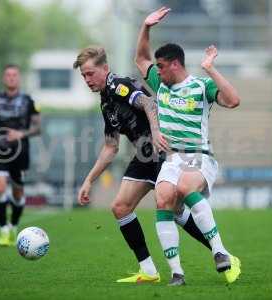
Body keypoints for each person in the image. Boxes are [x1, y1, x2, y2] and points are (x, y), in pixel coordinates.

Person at [74, 46, 212, 284]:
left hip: (162, 152)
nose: (87, 80)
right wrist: (89, 180)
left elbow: (149, 103)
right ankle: (149, 271)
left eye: (90, 73)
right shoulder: (106, 102)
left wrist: (157, 133)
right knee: (120, 207)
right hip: (144, 155)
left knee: (176, 211)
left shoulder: (119, 85)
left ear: (105, 69)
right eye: (83, 76)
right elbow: (110, 147)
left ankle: (220, 252)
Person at [135, 7, 241, 285]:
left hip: (200, 157)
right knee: (163, 198)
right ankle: (177, 273)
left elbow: (233, 100)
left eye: (160, 66)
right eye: (156, 67)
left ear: (175, 65)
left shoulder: (201, 86)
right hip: (172, 160)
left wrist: (210, 68)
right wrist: (146, 27)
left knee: (184, 187)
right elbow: (140, 58)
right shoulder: (161, 84)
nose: (155, 71)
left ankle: (219, 251)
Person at [0, 64, 41, 246]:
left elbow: (37, 128)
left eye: (14, 75)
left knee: (17, 193)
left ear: (19, 78)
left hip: (20, 151)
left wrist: (21, 134)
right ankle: (3, 230)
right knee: (0, 188)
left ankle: (13, 225)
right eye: (8, 75)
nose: (11, 78)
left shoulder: (29, 101)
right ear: (3, 78)